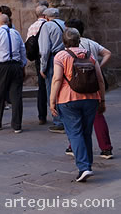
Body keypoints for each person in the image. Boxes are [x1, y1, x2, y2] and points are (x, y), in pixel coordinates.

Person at [49, 27, 105, 182]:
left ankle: (84, 167)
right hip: (91, 98)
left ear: (64, 41)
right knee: (86, 132)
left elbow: (57, 79)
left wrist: (52, 100)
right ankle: (88, 163)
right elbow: (100, 79)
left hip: (68, 99)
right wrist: (102, 99)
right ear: (79, 40)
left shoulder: (61, 56)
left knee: (74, 133)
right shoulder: (90, 55)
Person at [65, 18, 113, 159]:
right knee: (97, 115)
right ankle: (106, 148)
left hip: (76, 85)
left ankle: (74, 146)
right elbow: (108, 53)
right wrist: (98, 67)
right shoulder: (91, 43)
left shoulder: (69, 47)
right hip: (93, 83)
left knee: (75, 116)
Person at [0, 13, 26, 132]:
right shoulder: (16, 33)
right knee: (16, 95)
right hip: (15, 65)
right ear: (8, 22)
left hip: (2, 66)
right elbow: (22, 49)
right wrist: (23, 64)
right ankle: (17, 125)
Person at [39, 7, 66, 132]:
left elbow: (44, 49)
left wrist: (42, 67)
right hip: (65, 56)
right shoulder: (64, 24)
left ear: (45, 16)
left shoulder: (47, 26)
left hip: (53, 58)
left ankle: (58, 120)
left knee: (52, 87)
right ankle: (66, 117)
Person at [25, 3, 50, 124]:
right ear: (45, 15)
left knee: (41, 87)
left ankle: (42, 116)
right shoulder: (49, 25)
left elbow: (28, 43)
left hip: (38, 59)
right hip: (50, 58)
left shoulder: (32, 27)